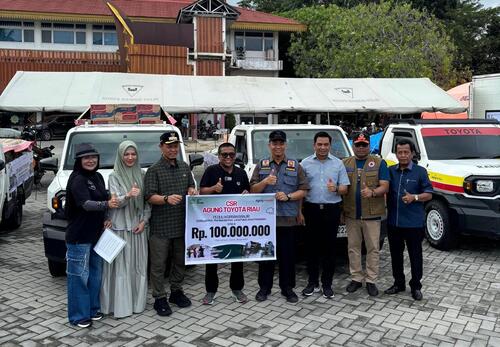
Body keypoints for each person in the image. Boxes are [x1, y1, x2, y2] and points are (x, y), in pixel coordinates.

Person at [250, 130, 309, 303]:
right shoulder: (262, 165)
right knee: (266, 257)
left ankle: (288, 289)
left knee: (288, 257)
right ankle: (264, 289)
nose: (278, 146)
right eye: (274, 143)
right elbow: (252, 190)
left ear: (285, 145)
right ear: (269, 145)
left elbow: (303, 190)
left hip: (288, 220)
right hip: (266, 222)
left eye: (281, 143)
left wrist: (289, 197)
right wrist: (265, 182)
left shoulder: (295, 165)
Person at [65, 143, 119, 328]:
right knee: (79, 276)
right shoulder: (77, 179)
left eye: (93, 157)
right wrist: (107, 205)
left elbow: (101, 198)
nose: (90, 160)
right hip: (79, 237)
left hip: (97, 235)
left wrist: (105, 217)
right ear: (79, 161)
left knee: (95, 275)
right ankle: (79, 316)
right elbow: (86, 204)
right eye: (86, 158)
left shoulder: (97, 177)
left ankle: (93, 309)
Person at [144, 131, 196, 316]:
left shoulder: (184, 167)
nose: (173, 149)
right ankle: (159, 297)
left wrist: (191, 189)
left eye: (175, 146)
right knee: (158, 265)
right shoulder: (154, 170)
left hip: (182, 225)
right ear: (161, 147)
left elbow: (191, 186)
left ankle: (176, 291)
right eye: (169, 146)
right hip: (161, 227)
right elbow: (149, 196)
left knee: (180, 261)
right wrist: (165, 198)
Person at [100, 141, 151, 318]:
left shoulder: (142, 175)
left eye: (133, 154)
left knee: (137, 267)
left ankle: (137, 304)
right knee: (121, 268)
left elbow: (147, 202)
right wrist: (128, 195)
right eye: (126, 154)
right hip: (120, 228)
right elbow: (115, 203)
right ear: (120, 156)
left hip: (137, 229)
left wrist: (144, 221)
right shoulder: (114, 176)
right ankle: (119, 306)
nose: (130, 158)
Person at [300, 132, 350, 299]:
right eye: (319, 144)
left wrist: (335, 188)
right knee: (311, 248)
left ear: (330, 145)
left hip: (331, 210)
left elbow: (345, 188)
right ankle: (312, 283)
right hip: (311, 209)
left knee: (330, 249)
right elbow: (301, 189)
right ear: (314, 145)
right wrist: (300, 212)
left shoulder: (338, 164)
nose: (322, 147)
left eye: (326, 145)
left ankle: (327, 284)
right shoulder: (305, 163)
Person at [199, 142, 250, 305]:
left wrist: (246, 193)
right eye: (224, 155)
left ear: (235, 156)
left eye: (231, 155)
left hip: (236, 224)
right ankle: (210, 292)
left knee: (237, 257)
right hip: (214, 224)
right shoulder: (211, 171)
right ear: (219, 156)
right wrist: (214, 188)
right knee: (212, 257)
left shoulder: (241, 173)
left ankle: (237, 290)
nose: (228, 157)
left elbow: (248, 192)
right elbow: (201, 192)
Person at [385, 139, 433, 301]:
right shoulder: (391, 171)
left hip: (414, 223)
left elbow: (429, 194)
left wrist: (415, 197)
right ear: (396, 154)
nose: (403, 155)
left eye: (406, 152)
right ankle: (398, 283)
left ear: (412, 153)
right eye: (400, 152)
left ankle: (416, 286)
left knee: (415, 256)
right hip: (394, 222)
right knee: (396, 255)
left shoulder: (420, 172)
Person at [342, 132, 389, 296]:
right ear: (353, 146)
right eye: (358, 145)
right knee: (353, 248)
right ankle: (356, 278)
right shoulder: (345, 163)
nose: (361, 148)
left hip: (372, 215)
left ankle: (371, 280)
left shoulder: (379, 163)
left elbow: (385, 186)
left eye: (364, 145)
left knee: (373, 249)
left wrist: (374, 192)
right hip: (351, 214)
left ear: (369, 146)